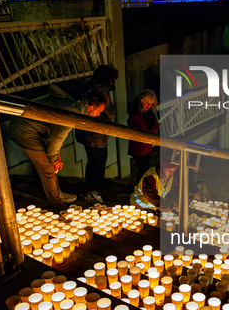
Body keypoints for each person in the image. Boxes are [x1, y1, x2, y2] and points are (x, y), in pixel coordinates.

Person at [9, 84, 109, 206]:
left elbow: (54, 135)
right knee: (48, 168)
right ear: (90, 107)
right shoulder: (73, 112)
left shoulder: (76, 103)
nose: (98, 115)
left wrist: (56, 156)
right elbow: (56, 138)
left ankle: (56, 194)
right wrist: (54, 159)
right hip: (24, 131)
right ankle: (57, 203)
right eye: (98, 112)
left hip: (30, 127)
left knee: (51, 161)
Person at [78, 65, 120, 205]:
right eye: (112, 80)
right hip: (96, 133)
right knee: (99, 162)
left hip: (88, 132)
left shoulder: (88, 84)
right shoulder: (99, 89)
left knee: (93, 161)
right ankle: (94, 192)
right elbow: (107, 111)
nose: (112, 83)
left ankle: (91, 190)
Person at [127, 90, 159, 184]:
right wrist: (153, 127)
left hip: (146, 147)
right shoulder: (135, 116)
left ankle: (140, 191)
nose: (148, 106)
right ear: (141, 100)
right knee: (143, 170)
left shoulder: (146, 114)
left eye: (151, 104)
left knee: (144, 170)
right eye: (147, 103)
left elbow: (154, 127)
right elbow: (146, 132)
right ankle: (139, 191)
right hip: (139, 148)